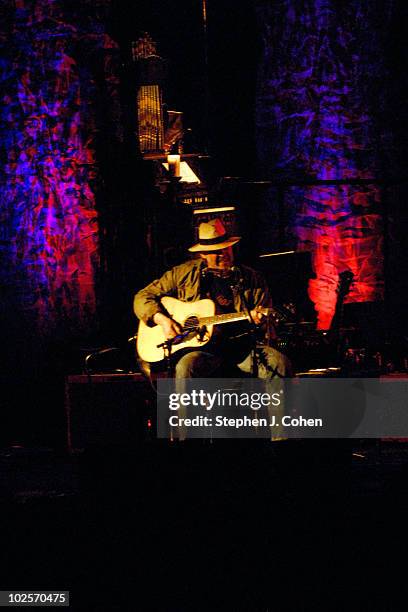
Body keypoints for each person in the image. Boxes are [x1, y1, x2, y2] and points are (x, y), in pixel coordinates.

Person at [134, 218, 291, 379]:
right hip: (201, 351)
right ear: (202, 254)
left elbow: (266, 322)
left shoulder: (251, 279)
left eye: (226, 248)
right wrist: (163, 320)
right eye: (216, 251)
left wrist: (261, 321)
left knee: (279, 363)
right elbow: (142, 297)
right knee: (186, 366)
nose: (223, 254)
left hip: (241, 347)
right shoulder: (184, 274)